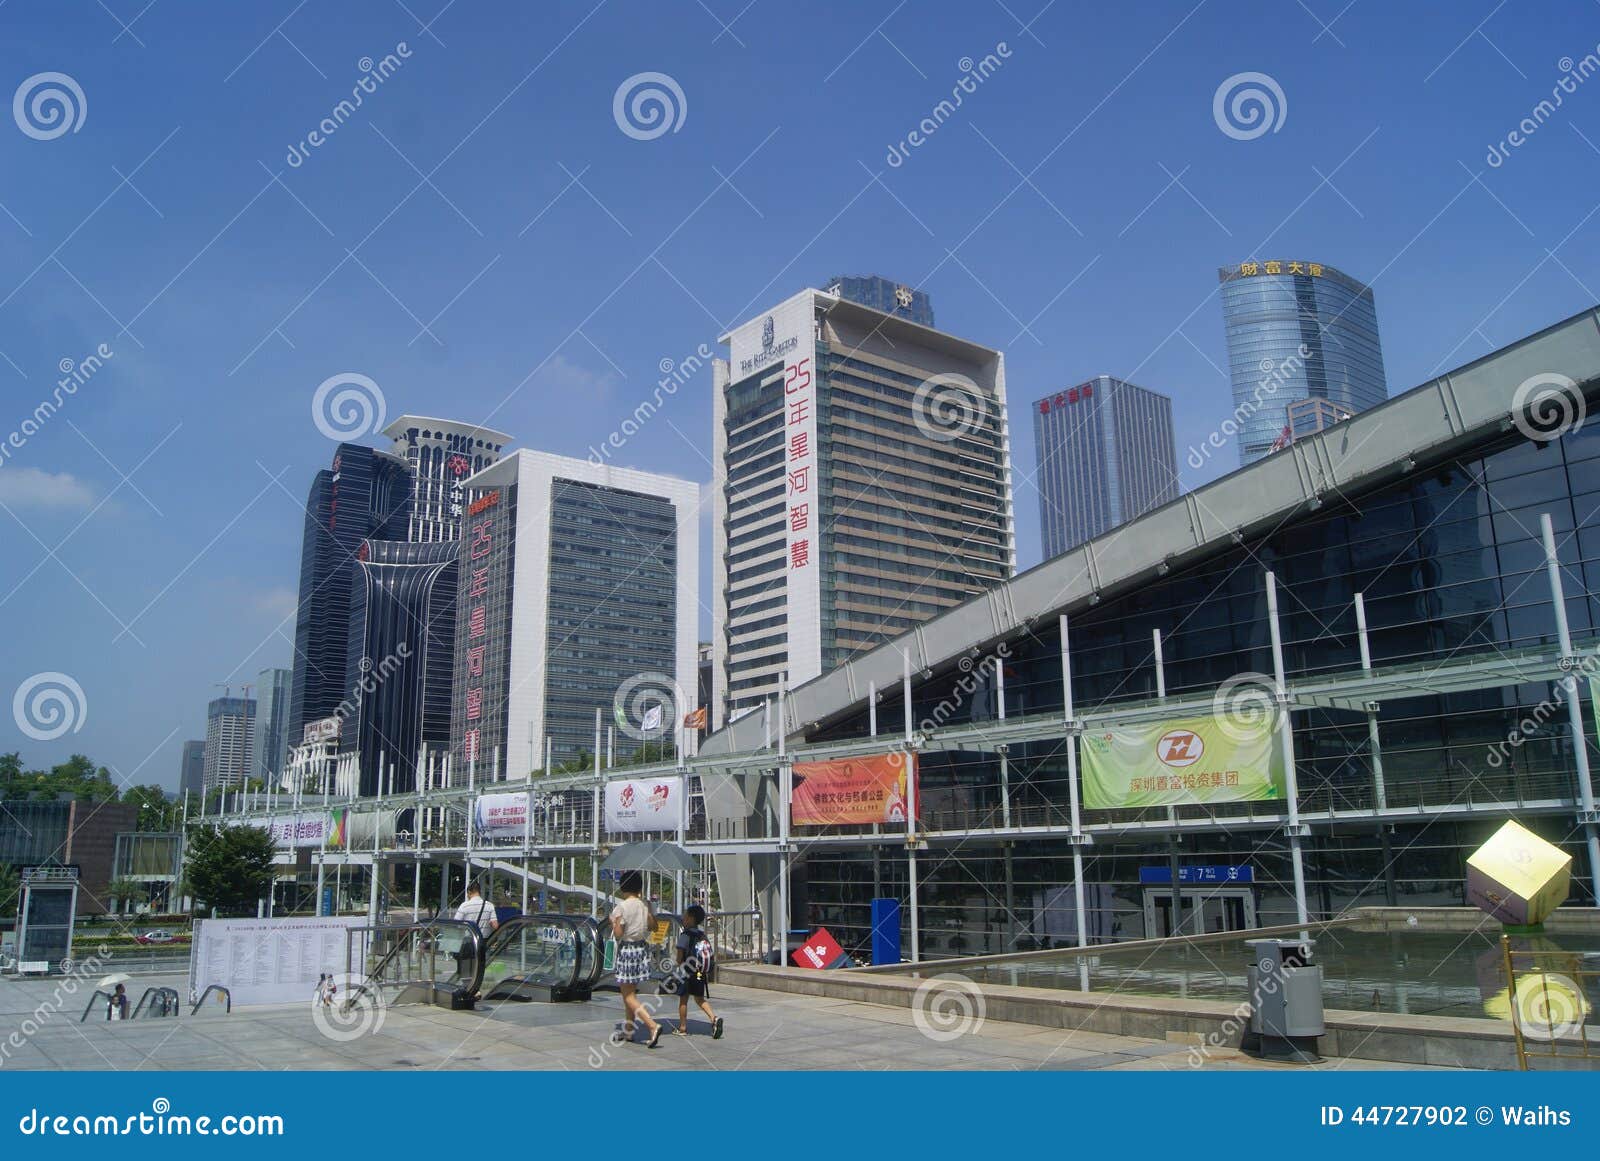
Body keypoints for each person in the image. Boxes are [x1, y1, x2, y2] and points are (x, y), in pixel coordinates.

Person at [610, 871, 661, 1048]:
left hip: (627, 950)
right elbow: (654, 927)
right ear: (639, 887)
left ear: (622, 887)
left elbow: (618, 934)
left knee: (628, 995)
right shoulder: (643, 905)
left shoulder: (621, 908)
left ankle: (652, 1026)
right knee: (630, 992)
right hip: (641, 949)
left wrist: (615, 922)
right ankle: (629, 1031)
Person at [673, 905, 723, 1039]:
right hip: (700, 973)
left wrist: (679, 964)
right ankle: (714, 1018)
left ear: (690, 918)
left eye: (685, 915)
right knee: (699, 999)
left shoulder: (685, 935)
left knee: (683, 1000)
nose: (683, 917)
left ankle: (683, 1027)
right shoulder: (702, 934)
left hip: (687, 972)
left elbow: (679, 955)